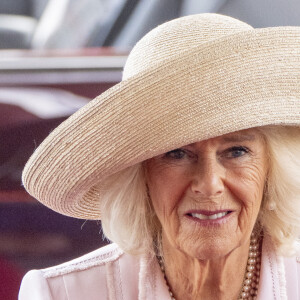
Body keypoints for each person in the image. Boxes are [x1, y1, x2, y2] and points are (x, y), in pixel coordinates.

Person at [19, 14, 300, 300]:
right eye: (177, 153)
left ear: (272, 167)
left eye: (236, 151)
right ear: (139, 174)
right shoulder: (60, 294)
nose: (209, 183)